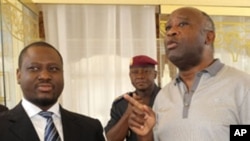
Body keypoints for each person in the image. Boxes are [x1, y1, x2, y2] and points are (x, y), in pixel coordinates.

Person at [123, 7, 250, 141]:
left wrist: (228, 133)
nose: (171, 32)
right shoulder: (164, 96)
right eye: (168, 28)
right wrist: (146, 136)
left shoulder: (242, 86)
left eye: (183, 24)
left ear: (208, 37)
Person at [0, 41, 105, 141]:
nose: (45, 76)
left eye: (53, 69)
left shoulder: (90, 128)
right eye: (34, 68)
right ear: (18, 75)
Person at [105, 55, 161, 141]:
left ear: (155, 75)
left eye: (146, 71)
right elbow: (111, 139)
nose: (140, 76)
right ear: (130, 75)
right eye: (135, 72)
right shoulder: (121, 104)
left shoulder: (167, 98)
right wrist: (128, 114)